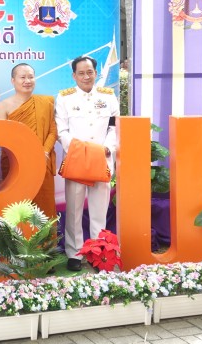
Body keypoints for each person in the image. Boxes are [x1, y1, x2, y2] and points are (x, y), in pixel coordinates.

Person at [55, 56, 119, 272]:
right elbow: (61, 131)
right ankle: (74, 253)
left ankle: (98, 252)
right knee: (73, 210)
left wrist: (107, 148)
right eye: (81, 73)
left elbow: (114, 127)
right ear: (74, 75)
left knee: (99, 210)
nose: (86, 76)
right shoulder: (65, 98)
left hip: (102, 159)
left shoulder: (108, 96)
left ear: (96, 73)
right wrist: (80, 152)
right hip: (77, 162)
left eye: (89, 72)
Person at [0, 63, 57, 218]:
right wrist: (24, 156)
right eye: (22, 77)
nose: (27, 81)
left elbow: (52, 130)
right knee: (17, 210)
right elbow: (3, 138)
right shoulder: (3, 106)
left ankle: (44, 236)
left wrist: (44, 151)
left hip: (42, 161)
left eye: (30, 77)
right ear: (13, 81)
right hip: (15, 164)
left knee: (43, 210)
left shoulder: (46, 103)